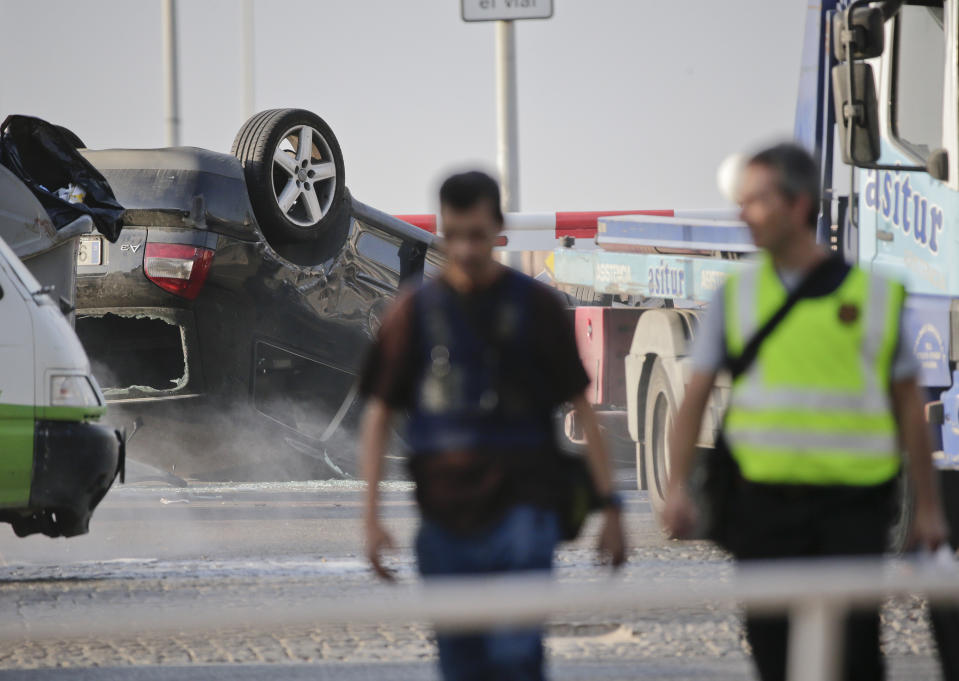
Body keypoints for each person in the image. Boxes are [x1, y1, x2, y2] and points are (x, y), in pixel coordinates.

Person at [662, 143, 950, 681]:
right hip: (763, 510)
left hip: (852, 510)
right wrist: (678, 486)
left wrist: (929, 508)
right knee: (774, 656)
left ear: (796, 206)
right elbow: (694, 399)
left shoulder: (875, 296)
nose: (742, 214)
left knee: (855, 658)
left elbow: (909, 408)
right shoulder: (736, 297)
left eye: (756, 201)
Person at [359, 170, 626, 681]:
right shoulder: (414, 312)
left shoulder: (538, 308)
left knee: (515, 660)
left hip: (523, 516)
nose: (464, 249)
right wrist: (370, 518)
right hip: (443, 521)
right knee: (460, 666)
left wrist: (611, 508)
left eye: (476, 235)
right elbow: (378, 415)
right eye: (453, 234)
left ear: (498, 231)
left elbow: (583, 410)